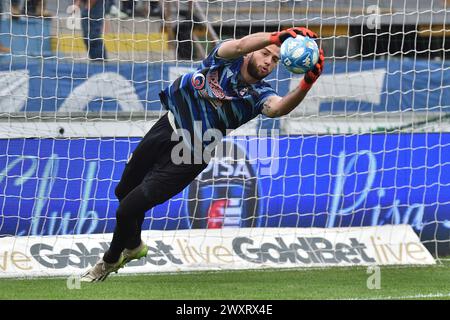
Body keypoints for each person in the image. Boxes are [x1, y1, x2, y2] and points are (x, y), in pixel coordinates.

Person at [80, 27, 325, 282]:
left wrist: (306, 84)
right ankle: (133, 246)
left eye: (275, 60)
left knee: (126, 210)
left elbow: (278, 108)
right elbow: (239, 45)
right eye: (265, 54)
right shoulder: (225, 60)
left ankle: (109, 260)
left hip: (190, 156)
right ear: (255, 51)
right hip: (167, 127)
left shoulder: (258, 95)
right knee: (122, 193)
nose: (268, 62)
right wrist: (277, 37)